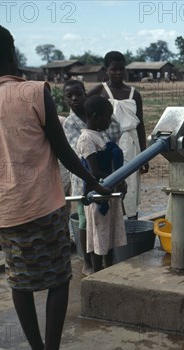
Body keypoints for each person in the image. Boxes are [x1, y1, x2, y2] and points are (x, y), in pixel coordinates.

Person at [0, 23, 110, 350]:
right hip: (43, 205)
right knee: (58, 279)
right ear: (12, 53)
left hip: (3, 213)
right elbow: (65, 153)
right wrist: (94, 184)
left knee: (19, 282)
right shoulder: (35, 92)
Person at [62, 80, 122, 275]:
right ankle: (91, 265)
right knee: (88, 226)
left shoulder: (98, 130)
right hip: (89, 185)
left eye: (78, 94)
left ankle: (107, 266)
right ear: (96, 117)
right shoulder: (78, 130)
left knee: (105, 229)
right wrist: (116, 178)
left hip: (106, 185)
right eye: (69, 96)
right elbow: (89, 166)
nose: (74, 99)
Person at [88, 51, 148, 219]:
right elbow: (85, 110)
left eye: (122, 69)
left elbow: (141, 124)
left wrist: (145, 155)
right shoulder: (100, 90)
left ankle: (132, 222)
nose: (118, 73)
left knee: (131, 184)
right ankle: (112, 221)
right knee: (110, 180)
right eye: (114, 69)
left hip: (131, 144)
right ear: (106, 70)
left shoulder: (134, 94)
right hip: (107, 144)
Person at [76, 96, 127, 271]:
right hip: (97, 196)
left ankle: (109, 270)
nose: (110, 120)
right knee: (99, 237)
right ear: (95, 116)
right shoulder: (86, 139)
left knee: (108, 236)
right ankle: (98, 273)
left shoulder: (98, 135)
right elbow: (94, 171)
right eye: (107, 116)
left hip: (107, 191)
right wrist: (118, 179)